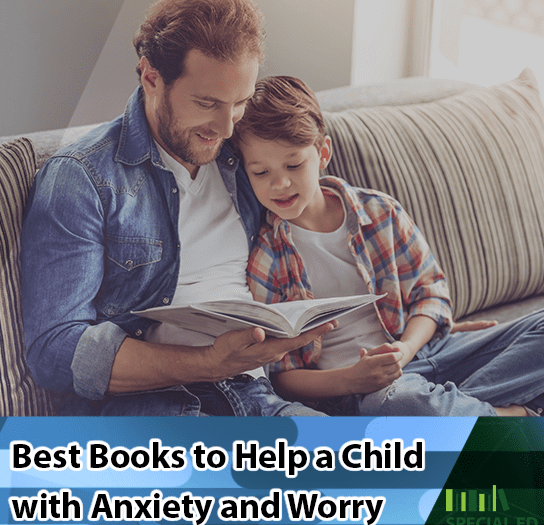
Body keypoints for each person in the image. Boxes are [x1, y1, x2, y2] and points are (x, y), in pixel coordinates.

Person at [20, 0, 337, 416]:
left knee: (384, 468)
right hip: (154, 406)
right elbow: (54, 349)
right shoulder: (81, 178)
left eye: (238, 102)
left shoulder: (245, 156)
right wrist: (207, 363)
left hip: (253, 394)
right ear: (151, 77)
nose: (226, 129)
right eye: (207, 103)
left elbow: (319, 194)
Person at [233, 75, 544, 417]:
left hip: (431, 350)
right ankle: (513, 416)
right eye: (261, 172)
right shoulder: (267, 259)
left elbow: (431, 293)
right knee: (405, 403)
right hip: (369, 390)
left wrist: (406, 347)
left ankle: (463, 413)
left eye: (294, 164)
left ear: (323, 153)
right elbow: (280, 375)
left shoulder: (379, 212)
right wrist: (351, 380)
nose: (280, 183)